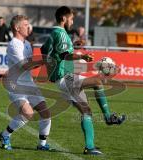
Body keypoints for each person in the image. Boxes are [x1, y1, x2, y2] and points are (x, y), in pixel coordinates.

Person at [41, 6, 126, 155]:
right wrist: (82, 56)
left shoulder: (53, 33)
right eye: (71, 19)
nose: (72, 22)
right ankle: (107, 117)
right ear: (64, 18)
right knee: (98, 82)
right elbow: (66, 56)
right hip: (65, 77)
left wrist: (51, 64)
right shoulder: (60, 34)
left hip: (63, 77)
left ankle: (90, 146)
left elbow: (44, 49)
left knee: (86, 111)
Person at [0, 15, 51, 151]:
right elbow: (24, 65)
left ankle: (42, 145)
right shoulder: (13, 45)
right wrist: (43, 60)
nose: (29, 27)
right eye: (26, 24)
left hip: (29, 84)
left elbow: (32, 63)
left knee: (46, 112)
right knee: (28, 114)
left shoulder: (27, 44)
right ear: (17, 28)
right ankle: (5, 135)